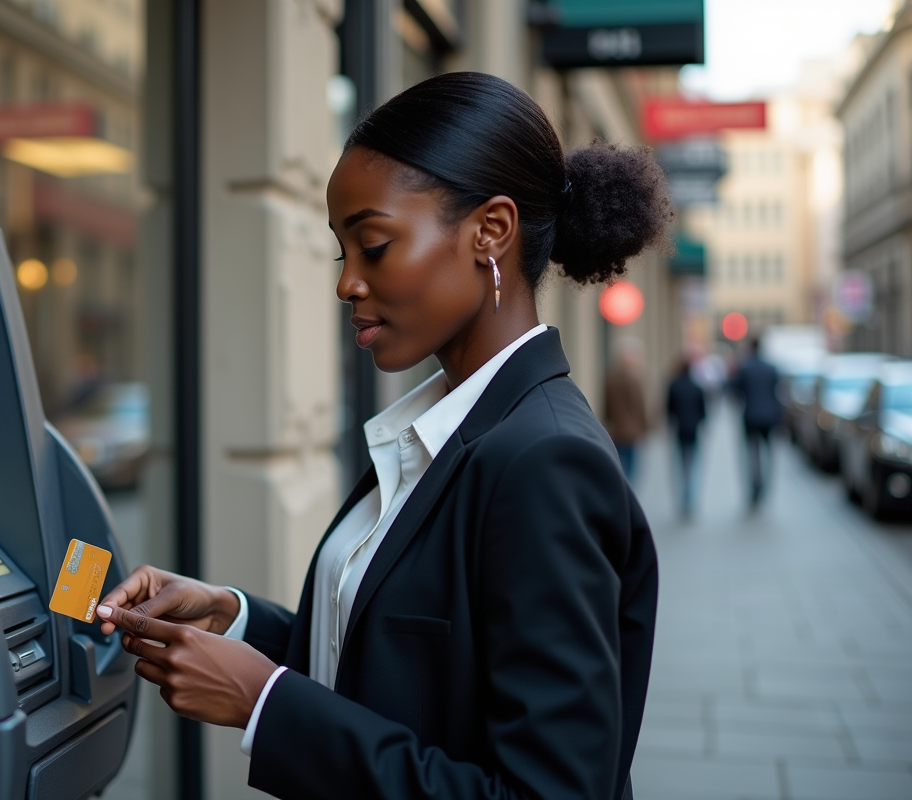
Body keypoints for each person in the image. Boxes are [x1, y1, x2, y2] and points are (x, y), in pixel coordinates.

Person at [95, 73, 666, 800]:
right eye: (344, 253)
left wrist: (265, 703)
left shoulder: (545, 461)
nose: (347, 284)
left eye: (373, 244)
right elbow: (408, 663)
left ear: (491, 231)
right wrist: (233, 620)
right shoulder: (445, 429)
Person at [730, 337, 782, 508]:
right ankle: (765, 486)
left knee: (753, 454)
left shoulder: (745, 368)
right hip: (769, 417)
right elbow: (778, 392)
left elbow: (735, 391)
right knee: (768, 454)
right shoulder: (771, 368)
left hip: (751, 417)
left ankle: (755, 486)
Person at [604, 337, 650, 481]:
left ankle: (622, 485)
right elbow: (639, 406)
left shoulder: (610, 379)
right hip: (631, 431)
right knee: (631, 465)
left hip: (616, 429)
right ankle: (627, 488)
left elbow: (606, 406)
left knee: (619, 461)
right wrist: (645, 427)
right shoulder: (634, 380)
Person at [667, 358, 707, 518]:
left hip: (680, 429)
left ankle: (684, 496)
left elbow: (669, 409)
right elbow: (703, 411)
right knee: (693, 463)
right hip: (693, 429)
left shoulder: (674, 386)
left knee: (682, 463)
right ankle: (690, 497)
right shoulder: (697, 387)